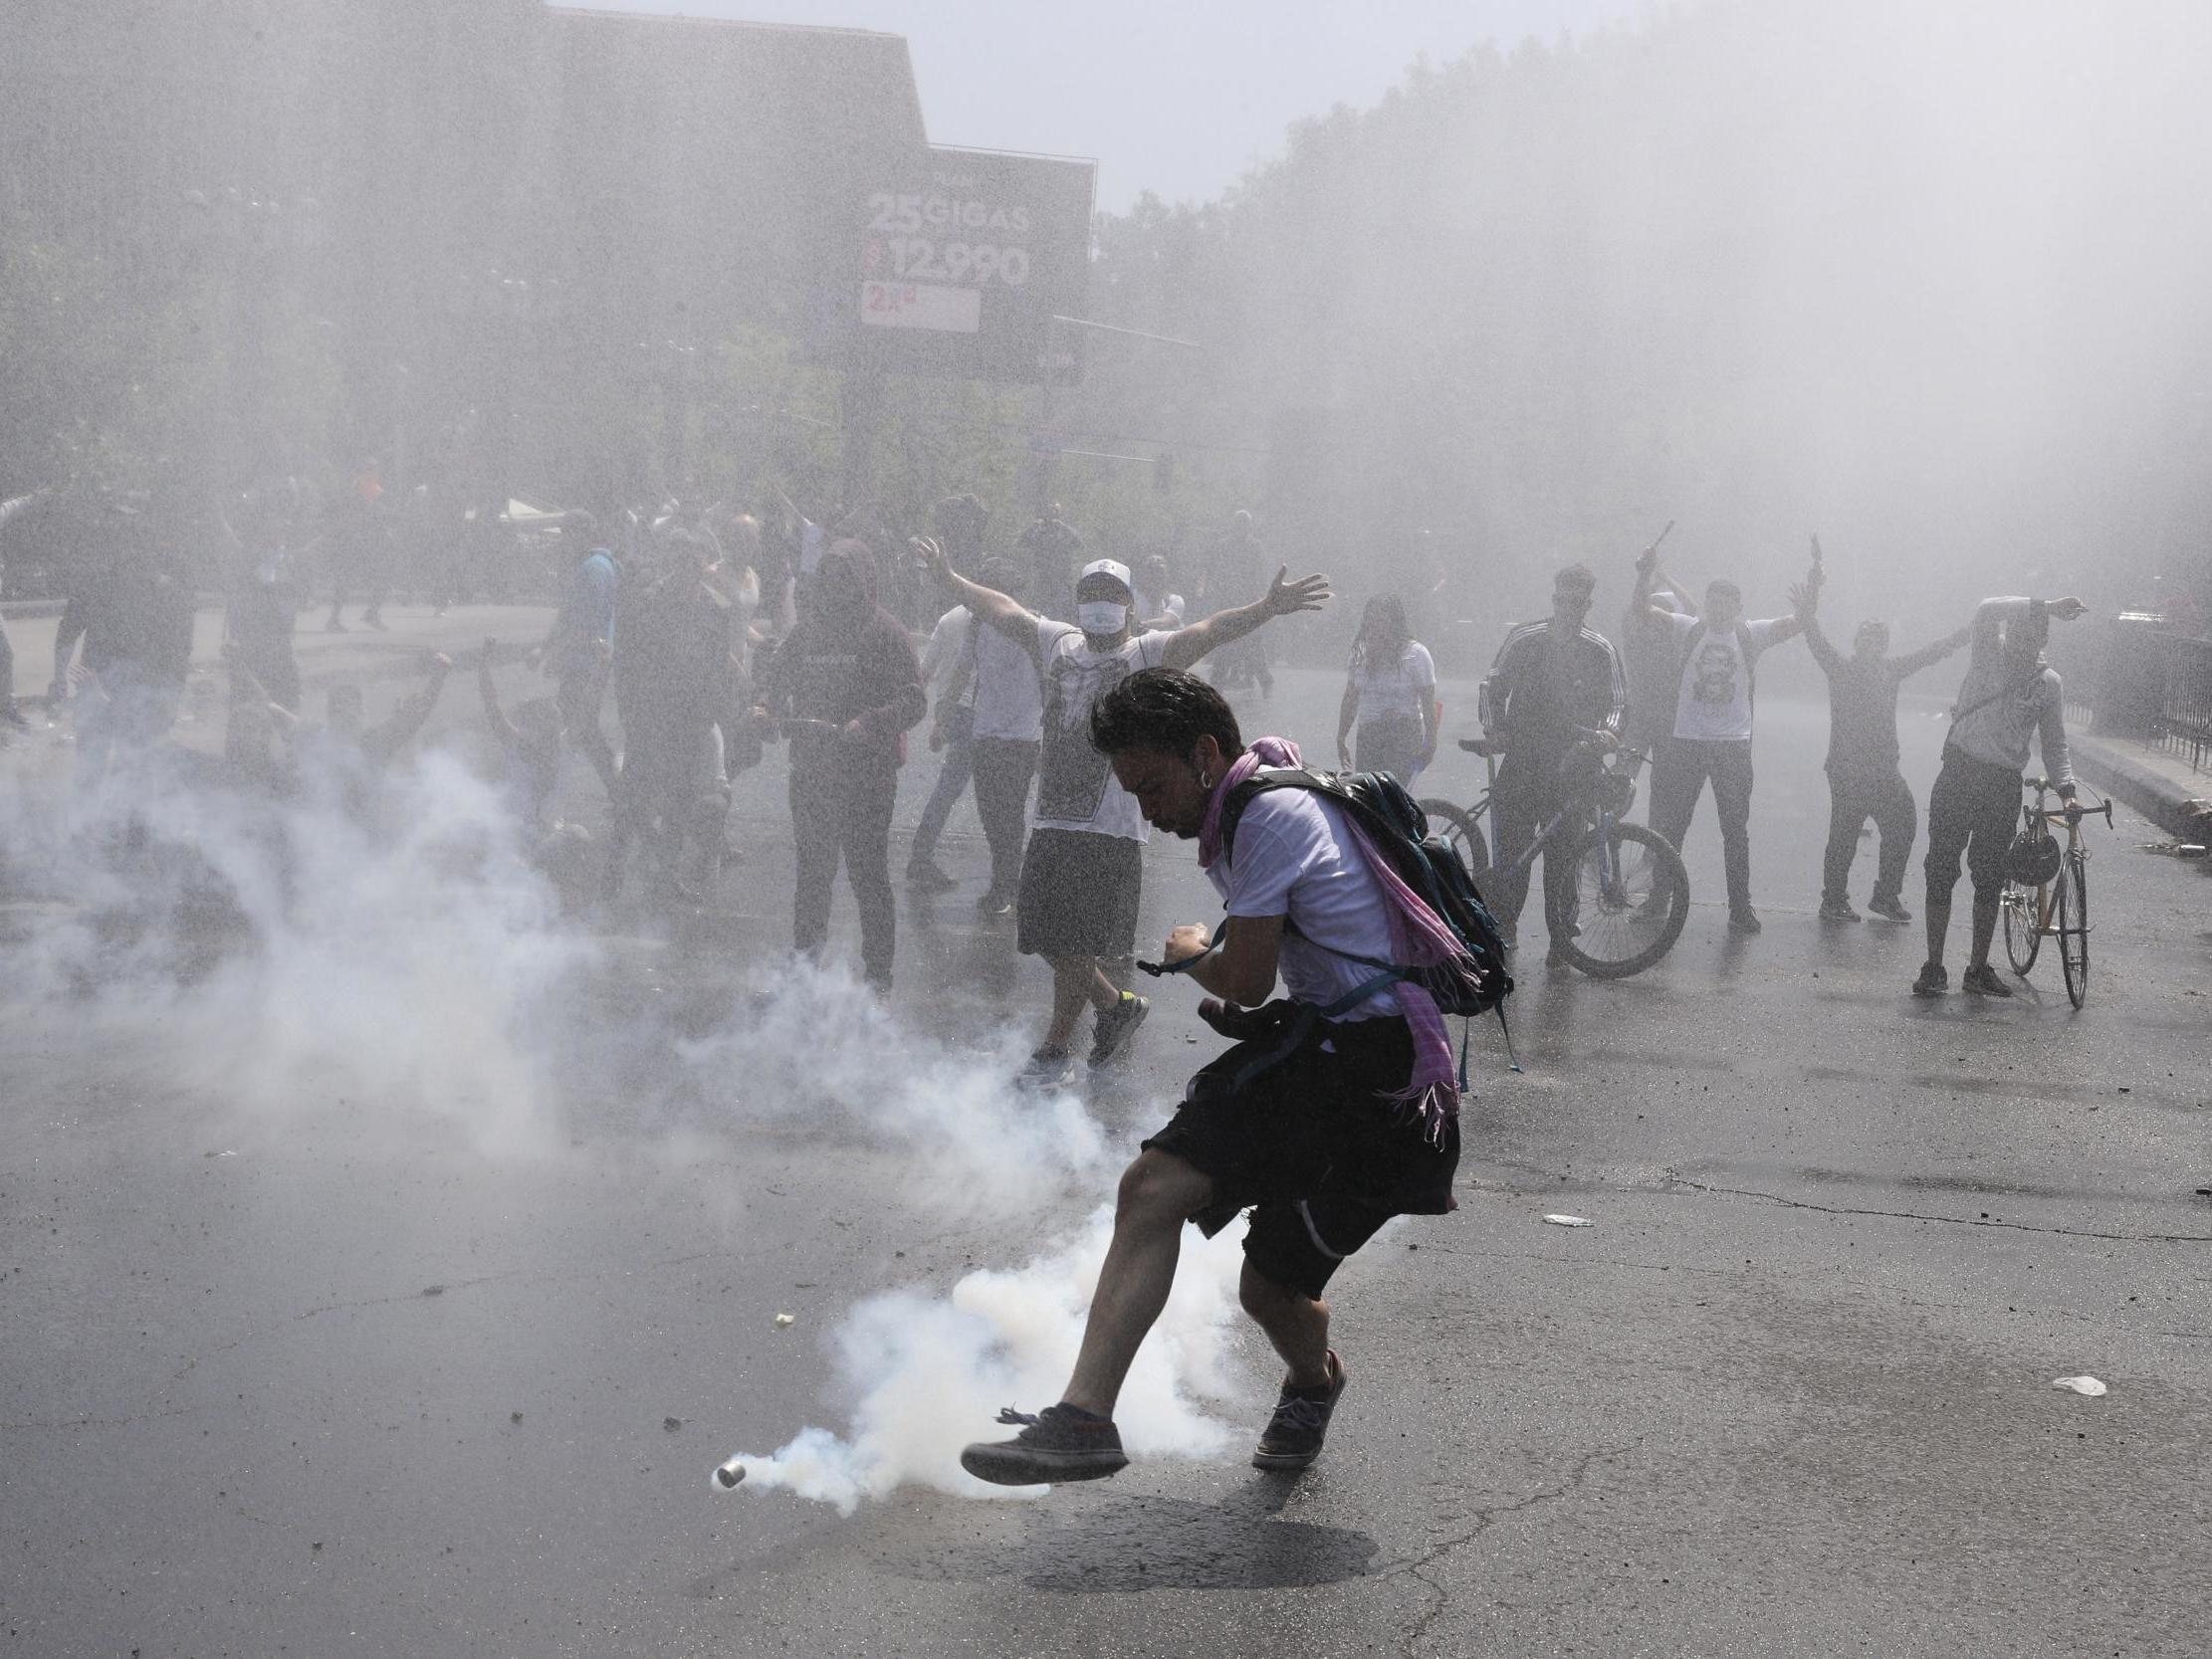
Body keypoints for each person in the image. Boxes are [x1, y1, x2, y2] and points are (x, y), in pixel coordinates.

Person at [959, 669, 1461, 1486]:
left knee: (1270, 1288)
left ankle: (1311, 1380)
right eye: (1132, 791)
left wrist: (1195, 955)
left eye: (1151, 785)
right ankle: (1084, 1419)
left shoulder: (1268, 814)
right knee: (1151, 1187)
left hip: (1383, 1079)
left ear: (1202, 754)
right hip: (1331, 1047)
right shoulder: (1257, 800)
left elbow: (1247, 978)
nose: (1147, 810)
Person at [917, 540, 1329, 1087]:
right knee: (1045, 934)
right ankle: (1115, 1006)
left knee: (1076, 942)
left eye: (1112, 595)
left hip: (1110, 827)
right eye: (1091, 594)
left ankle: (1056, 1046)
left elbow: (1209, 631)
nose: (1100, 604)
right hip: (1052, 817)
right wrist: (952, 578)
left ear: (1130, 605)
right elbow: (1002, 609)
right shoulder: (1056, 642)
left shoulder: (1148, 653)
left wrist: (1266, 607)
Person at [753, 540, 926, 989]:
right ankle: (806, 966)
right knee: (813, 873)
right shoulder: (809, 631)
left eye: (846, 577)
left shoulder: (887, 633)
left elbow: (914, 701)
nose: (837, 586)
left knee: (868, 875)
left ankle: (879, 975)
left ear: (865, 580)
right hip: (811, 771)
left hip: (866, 776)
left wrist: (868, 723)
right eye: (830, 577)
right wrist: (765, 704)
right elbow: (777, 674)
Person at [1912, 594, 2088, 998]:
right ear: (2009, 635)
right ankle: (1934, 965)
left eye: (2032, 637)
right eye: (2019, 634)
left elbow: (2055, 743)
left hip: (2001, 783)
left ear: (2040, 641)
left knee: (1989, 877)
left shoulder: (2048, 684)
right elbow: (1986, 609)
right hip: (1960, 770)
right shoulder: (1986, 658)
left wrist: (2068, 791)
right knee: (1940, 869)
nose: (2022, 644)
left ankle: (1976, 968)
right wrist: (2043, 604)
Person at [1630, 549, 1813, 933]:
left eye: (1726, 603)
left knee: (1735, 829)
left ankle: (1740, 907)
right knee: (1672, 826)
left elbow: (1797, 623)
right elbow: (1643, 612)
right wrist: (1643, 576)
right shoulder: (1688, 627)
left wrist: (1812, 592)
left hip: (1732, 745)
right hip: (1688, 741)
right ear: (1707, 605)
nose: (1718, 609)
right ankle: (1658, 899)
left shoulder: (1751, 633)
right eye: (1713, 602)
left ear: (1738, 607)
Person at [1476, 564, 1626, 964]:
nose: (1569, 608)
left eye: (1578, 602)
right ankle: (1503, 929)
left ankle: (1561, 938)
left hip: (1575, 765)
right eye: (1563, 600)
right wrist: (1495, 730)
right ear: (1554, 598)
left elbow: (1616, 703)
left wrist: (1610, 732)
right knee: (1513, 853)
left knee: (1565, 856)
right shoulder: (1525, 638)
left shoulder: (1601, 649)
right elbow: (1491, 687)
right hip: (1523, 759)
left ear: (1588, 604)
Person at [1797, 582, 1972, 924]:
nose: (1871, 644)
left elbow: (1929, 654)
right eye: (1865, 638)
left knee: (1903, 825)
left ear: (1884, 646)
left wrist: (1965, 634)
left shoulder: (1891, 670)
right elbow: (1815, 639)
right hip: (1848, 770)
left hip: (1884, 770)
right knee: (1844, 835)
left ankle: (1885, 896)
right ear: (1857, 643)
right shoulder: (1841, 668)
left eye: (1877, 640)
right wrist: (1807, 611)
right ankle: (1833, 900)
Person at [534, 520, 620, 798]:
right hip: (587, 661)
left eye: (569, 533)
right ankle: (619, 791)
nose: (564, 540)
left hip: (587, 663)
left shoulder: (593, 568)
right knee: (579, 728)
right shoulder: (592, 565)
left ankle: (621, 791)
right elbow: (567, 616)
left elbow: (585, 624)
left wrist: (556, 654)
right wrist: (546, 648)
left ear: (585, 534)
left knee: (579, 728)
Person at [905, 593, 980, 892]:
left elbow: (925, 670)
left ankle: (920, 855)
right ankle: (1012, 866)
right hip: (976, 711)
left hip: (954, 710)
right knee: (1002, 793)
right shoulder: (999, 616)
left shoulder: (949, 618)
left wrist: (933, 716)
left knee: (949, 788)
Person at [1335, 593, 1437, 783]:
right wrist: (1341, 737)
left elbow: (1428, 701)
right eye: (1371, 620)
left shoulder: (1416, 654)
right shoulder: (1360, 654)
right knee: (1369, 796)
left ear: (1394, 623)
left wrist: (1431, 741)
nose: (1375, 627)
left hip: (1403, 734)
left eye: (1381, 620)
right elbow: (1350, 698)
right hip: (1369, 734)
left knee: (1393, 794)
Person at [1204, 511, 1273, 695]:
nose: (1241, 527)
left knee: (1253, 641)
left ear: (1249, 526)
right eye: (1239, 523)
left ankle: (1265, 679)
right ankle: (1217, 681)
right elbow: (1215, 572)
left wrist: (1261, 598)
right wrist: (1215, 591)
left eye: (1245, 523)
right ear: (1234, 525)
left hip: (1248, 600)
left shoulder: (1255, 546)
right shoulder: (1223, 546)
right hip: (1227, 601)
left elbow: (1261, 574)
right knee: (1224, 639)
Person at [1016, 505, 1084, 603]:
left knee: (1062, 602)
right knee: (1041, 600)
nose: (1051, 519)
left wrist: (1063, 527)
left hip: (1061, 576)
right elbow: (1020, 542)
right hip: (1042, 575)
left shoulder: (1064, 531)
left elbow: (1080, 545)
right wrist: (1033, 526)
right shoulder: (1038, 531)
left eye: (1053, 514)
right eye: (1048, 514)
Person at [1133, 553, 1186, 631]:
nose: (1156, 576)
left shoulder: (1175, 600)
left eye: (1159, 571)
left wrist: (1138, 626)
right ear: (1143, 574)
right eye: (1151, 571)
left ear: (1166, 575)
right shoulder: (1132, 598)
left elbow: (1166, 622)